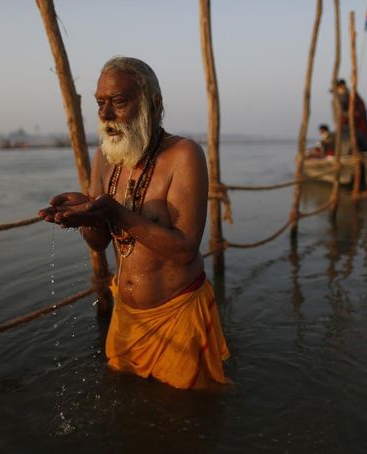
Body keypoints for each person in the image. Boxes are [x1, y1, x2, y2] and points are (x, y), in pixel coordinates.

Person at [38, 56, 229, 389]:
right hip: (124, 316)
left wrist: (113, 211)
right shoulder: (104, 157)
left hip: (178, 314)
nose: (105, 115)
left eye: (119, 102)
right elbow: (98, 242)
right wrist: (84, 214)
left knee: (189, 418)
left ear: (153, 104)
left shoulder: (184, 155)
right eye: (100, 104)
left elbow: (184, 250)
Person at [334, 79, 367, 155]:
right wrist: (350, 114)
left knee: (361, 132)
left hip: (354, 119)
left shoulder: (349, 94)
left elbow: (358, 104)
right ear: (339, 86)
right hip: (345, 119)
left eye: (344, 85)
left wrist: (356, 113)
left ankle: (362, 149)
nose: (343, 87)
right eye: (341, 85)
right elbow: (340, 111)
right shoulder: (337, 97)